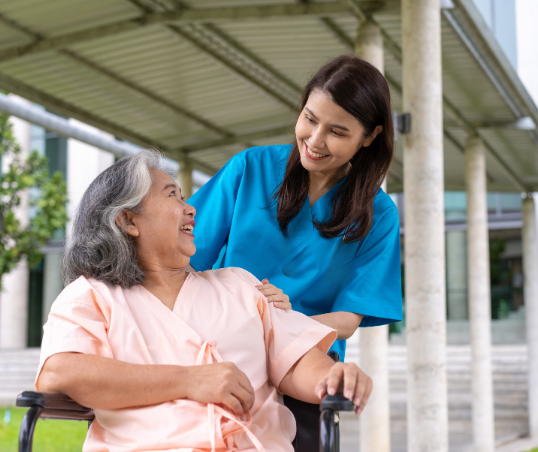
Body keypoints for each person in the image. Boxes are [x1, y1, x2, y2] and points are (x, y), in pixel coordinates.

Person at [36, 151, 373, 452]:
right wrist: (190, 380)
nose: (191, 208)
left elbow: (296, 360)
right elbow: (60, 372)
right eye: (172, 196)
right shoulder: (91, 295)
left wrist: (336, 376)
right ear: (128, 220)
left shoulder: (240, 285)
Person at [186, 54, 403, 448]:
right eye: (310, 118)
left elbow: (348, 319)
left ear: (369, 137)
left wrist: (278, 320)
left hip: (305, 362)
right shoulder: (249, 168)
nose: (315, 141)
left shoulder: (379, 215)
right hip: (221, 347)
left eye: (337, 132)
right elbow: (182, 257)